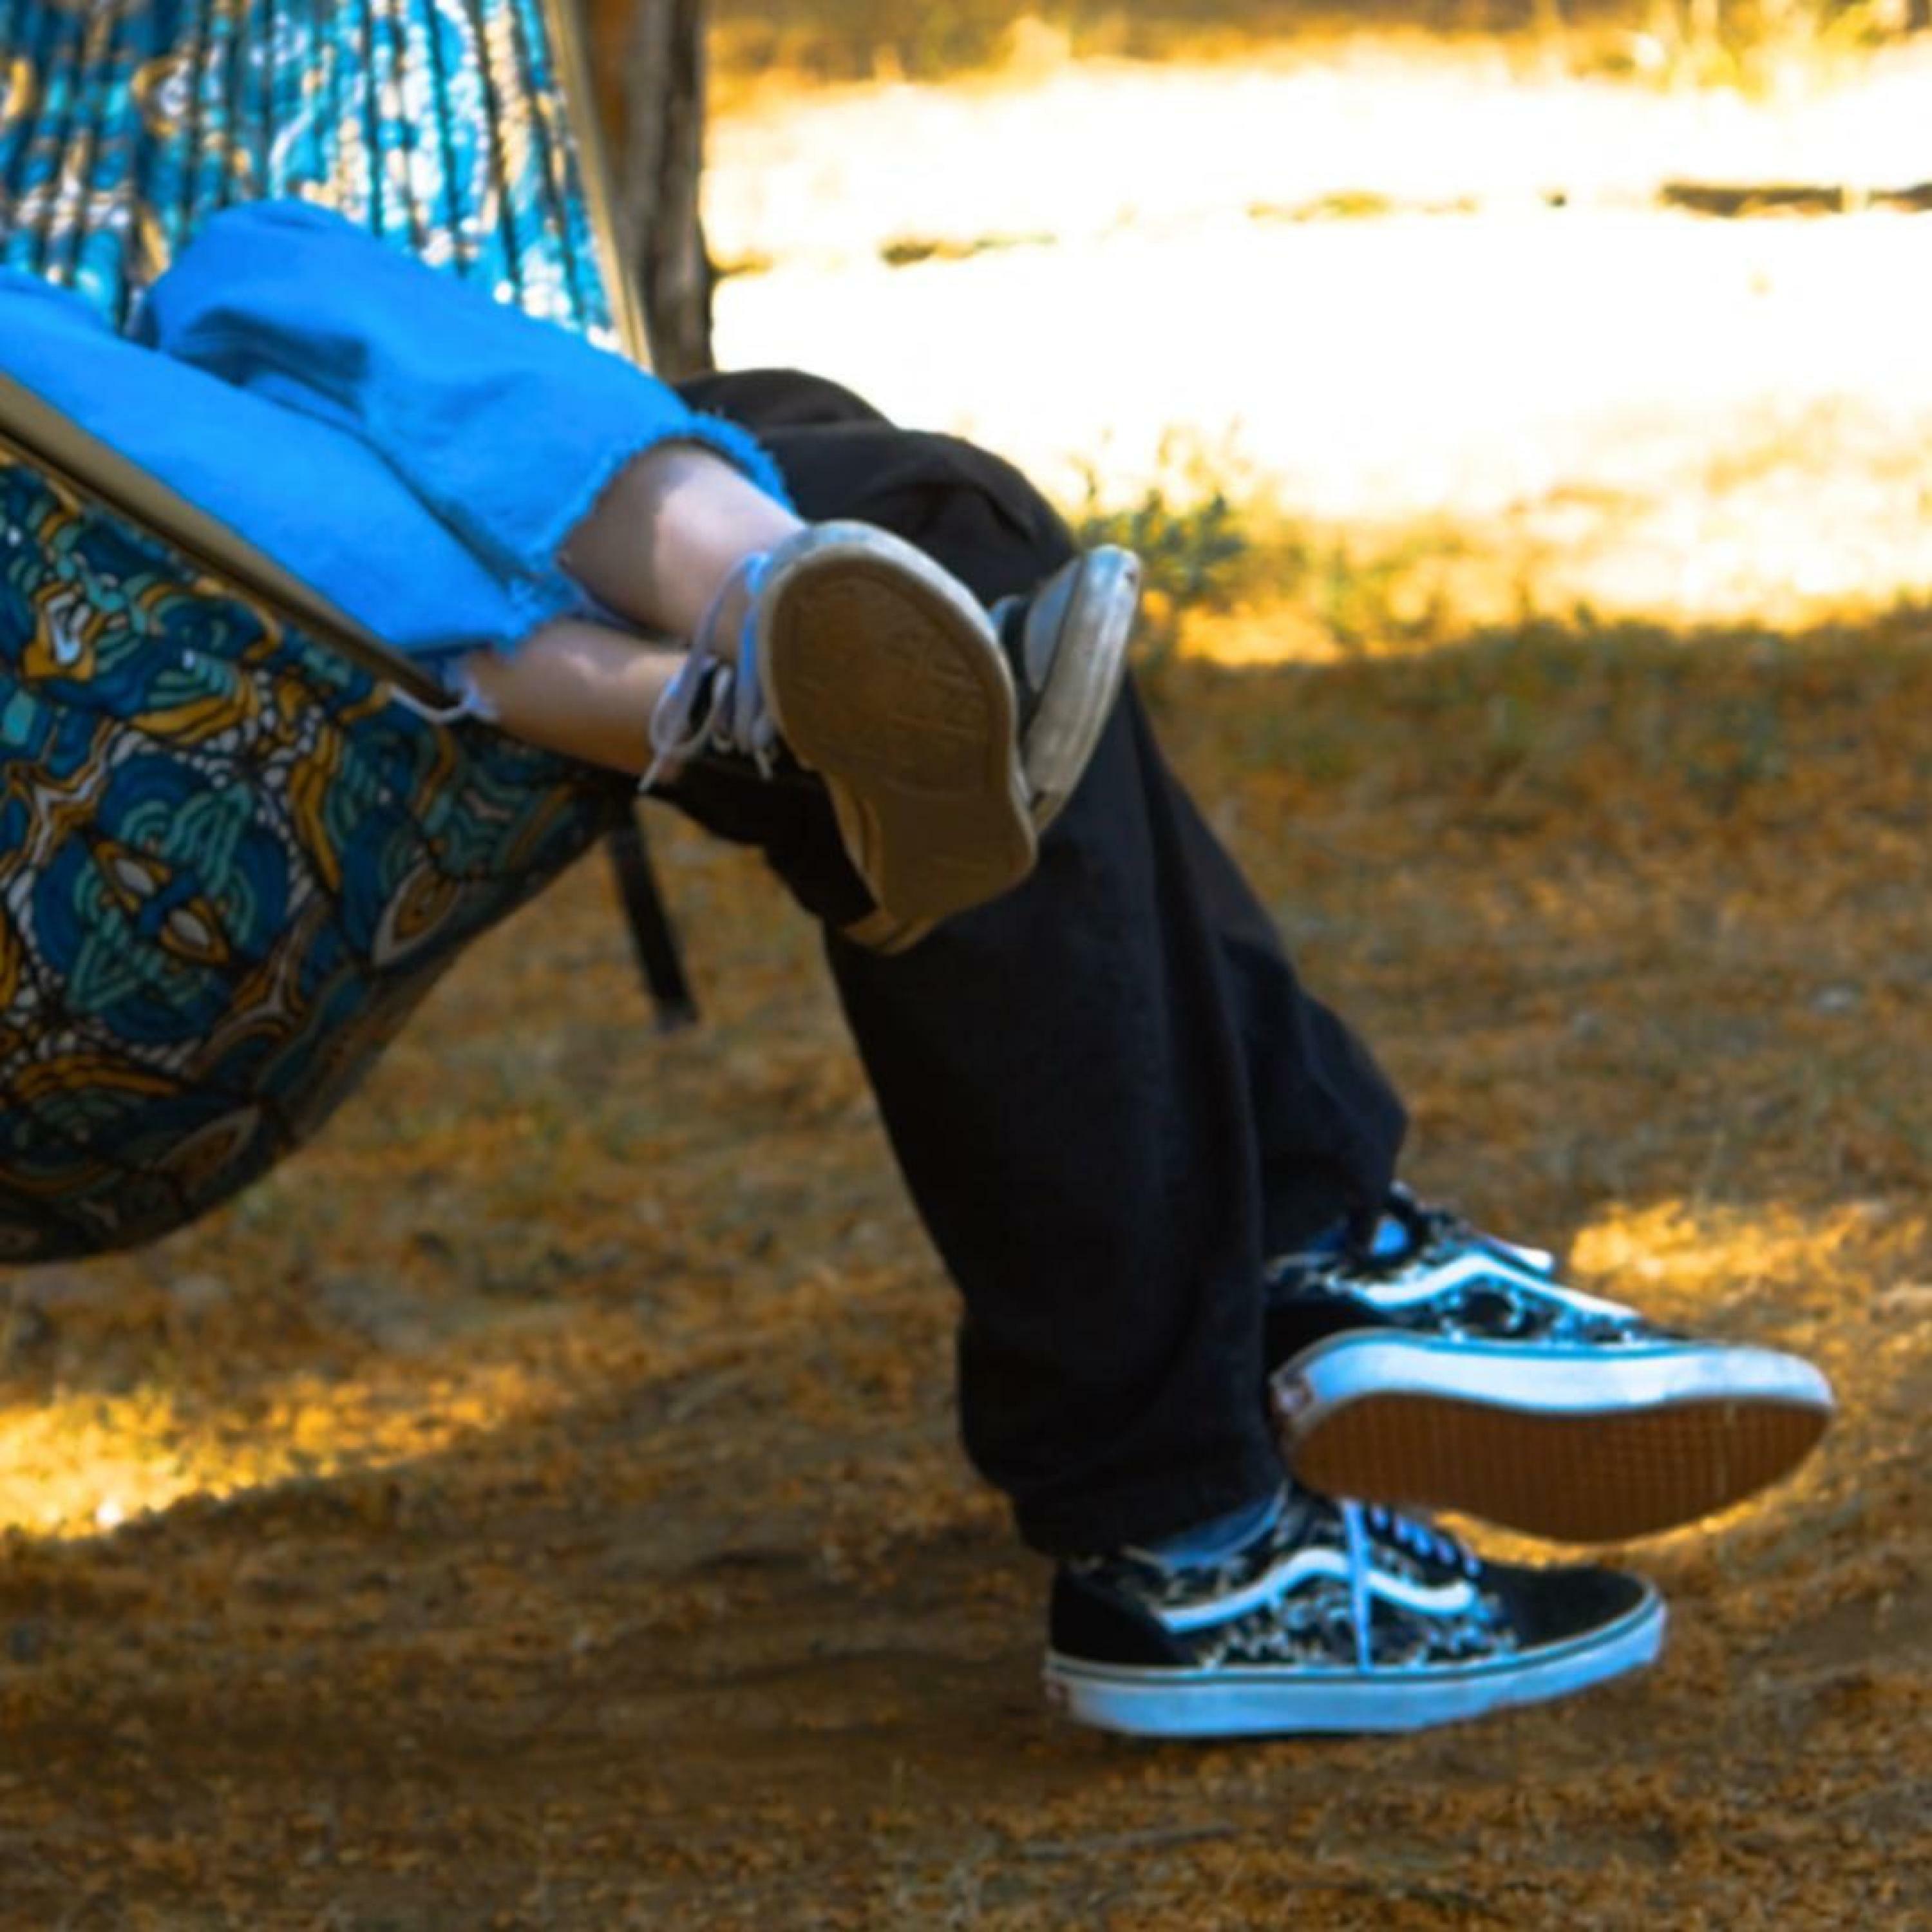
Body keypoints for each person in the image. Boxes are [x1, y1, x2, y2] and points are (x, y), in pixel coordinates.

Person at [0, 204, 1835, 1739]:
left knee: (930, 529)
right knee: (154, 403)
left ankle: (1285, 1285)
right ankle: (1217, 1472)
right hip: (91, 678)